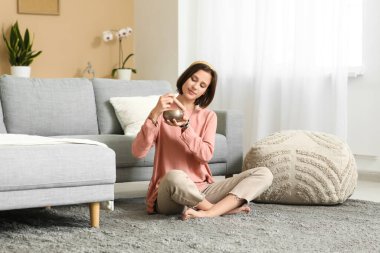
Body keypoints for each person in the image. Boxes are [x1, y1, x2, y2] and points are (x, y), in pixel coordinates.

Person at [132, 61, 273, 220]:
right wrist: (154, 113)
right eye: (193, 79)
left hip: (202, 190)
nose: (195, 86)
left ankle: (208, 210)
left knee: (263, 173)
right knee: (175, 176)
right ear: (185, 78)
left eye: (202, 85)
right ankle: (216, 210)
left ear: (206, 91)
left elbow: (205, 156)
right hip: (170, 193)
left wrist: (186, 127)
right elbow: (138, 152)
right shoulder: (162, 111)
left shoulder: (208, 116)